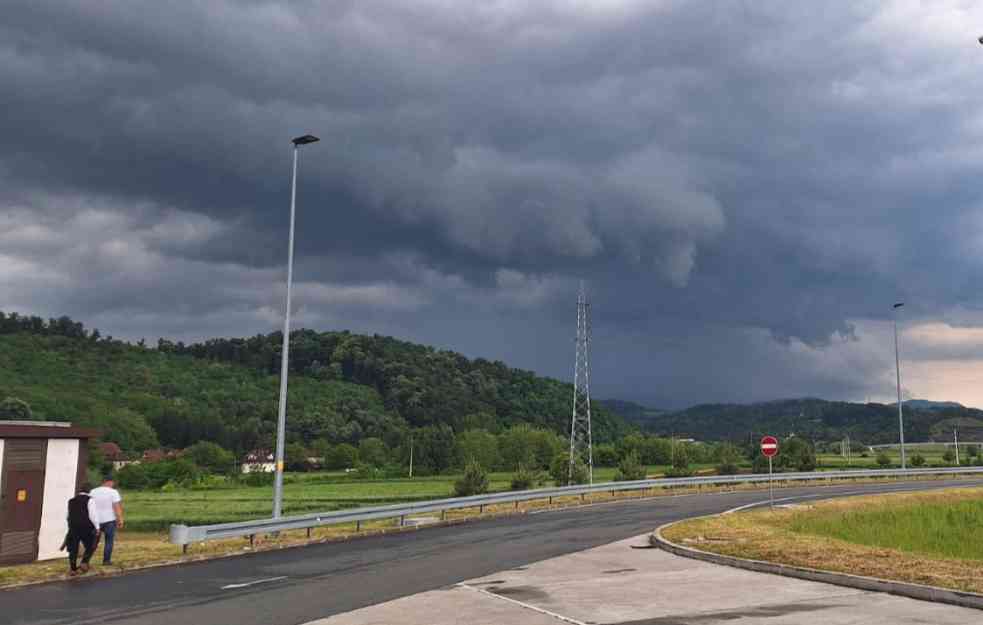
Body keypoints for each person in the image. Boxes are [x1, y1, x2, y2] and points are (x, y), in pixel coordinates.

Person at [65, 483, 100, 576]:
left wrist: (70, 525)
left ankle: (73, 569)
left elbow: (68, 515)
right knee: (91, 545)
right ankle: (84, 562)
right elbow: (93, 515)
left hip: (73, 526)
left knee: (73, 547)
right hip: (86, 526)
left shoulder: (71, 501)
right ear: (89, 491)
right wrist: (97, 527)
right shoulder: (90, 500)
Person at [89, 474, 124, 565]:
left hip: (95, 521)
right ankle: (106, 560)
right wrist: (120, 519)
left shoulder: (92, 491)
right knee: (109, 541)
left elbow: (89, 506)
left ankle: (86, 560)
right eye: (112, 482)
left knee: (94, 542)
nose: (113, 484)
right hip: (109, 520)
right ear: (109, 482)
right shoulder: (113, 492)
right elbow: (116, 507)